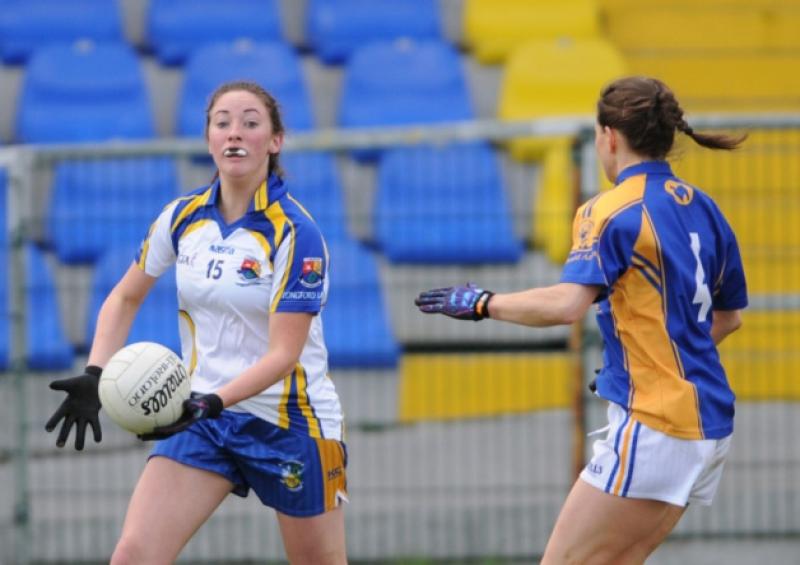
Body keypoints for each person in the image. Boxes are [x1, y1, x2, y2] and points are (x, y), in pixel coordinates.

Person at [415, 76, 747, 564]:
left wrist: (484, 301)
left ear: (610, 135)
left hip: (658, 426)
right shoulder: (704, 207)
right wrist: (647, 362)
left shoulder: (610, 209)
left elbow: (566, 305)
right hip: (708, 421)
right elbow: (728, 318)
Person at [45, 80, 349, 565]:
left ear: (275, 141)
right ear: (208, 137)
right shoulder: (181, 217)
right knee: (133, 556)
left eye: (251, 123)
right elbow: (124, 298)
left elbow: (283, 354)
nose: (236, 133)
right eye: (222, 122)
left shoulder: (296, 233)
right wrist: (95, 373)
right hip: (204, 419)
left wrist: (211, 400)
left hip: (289, 423)